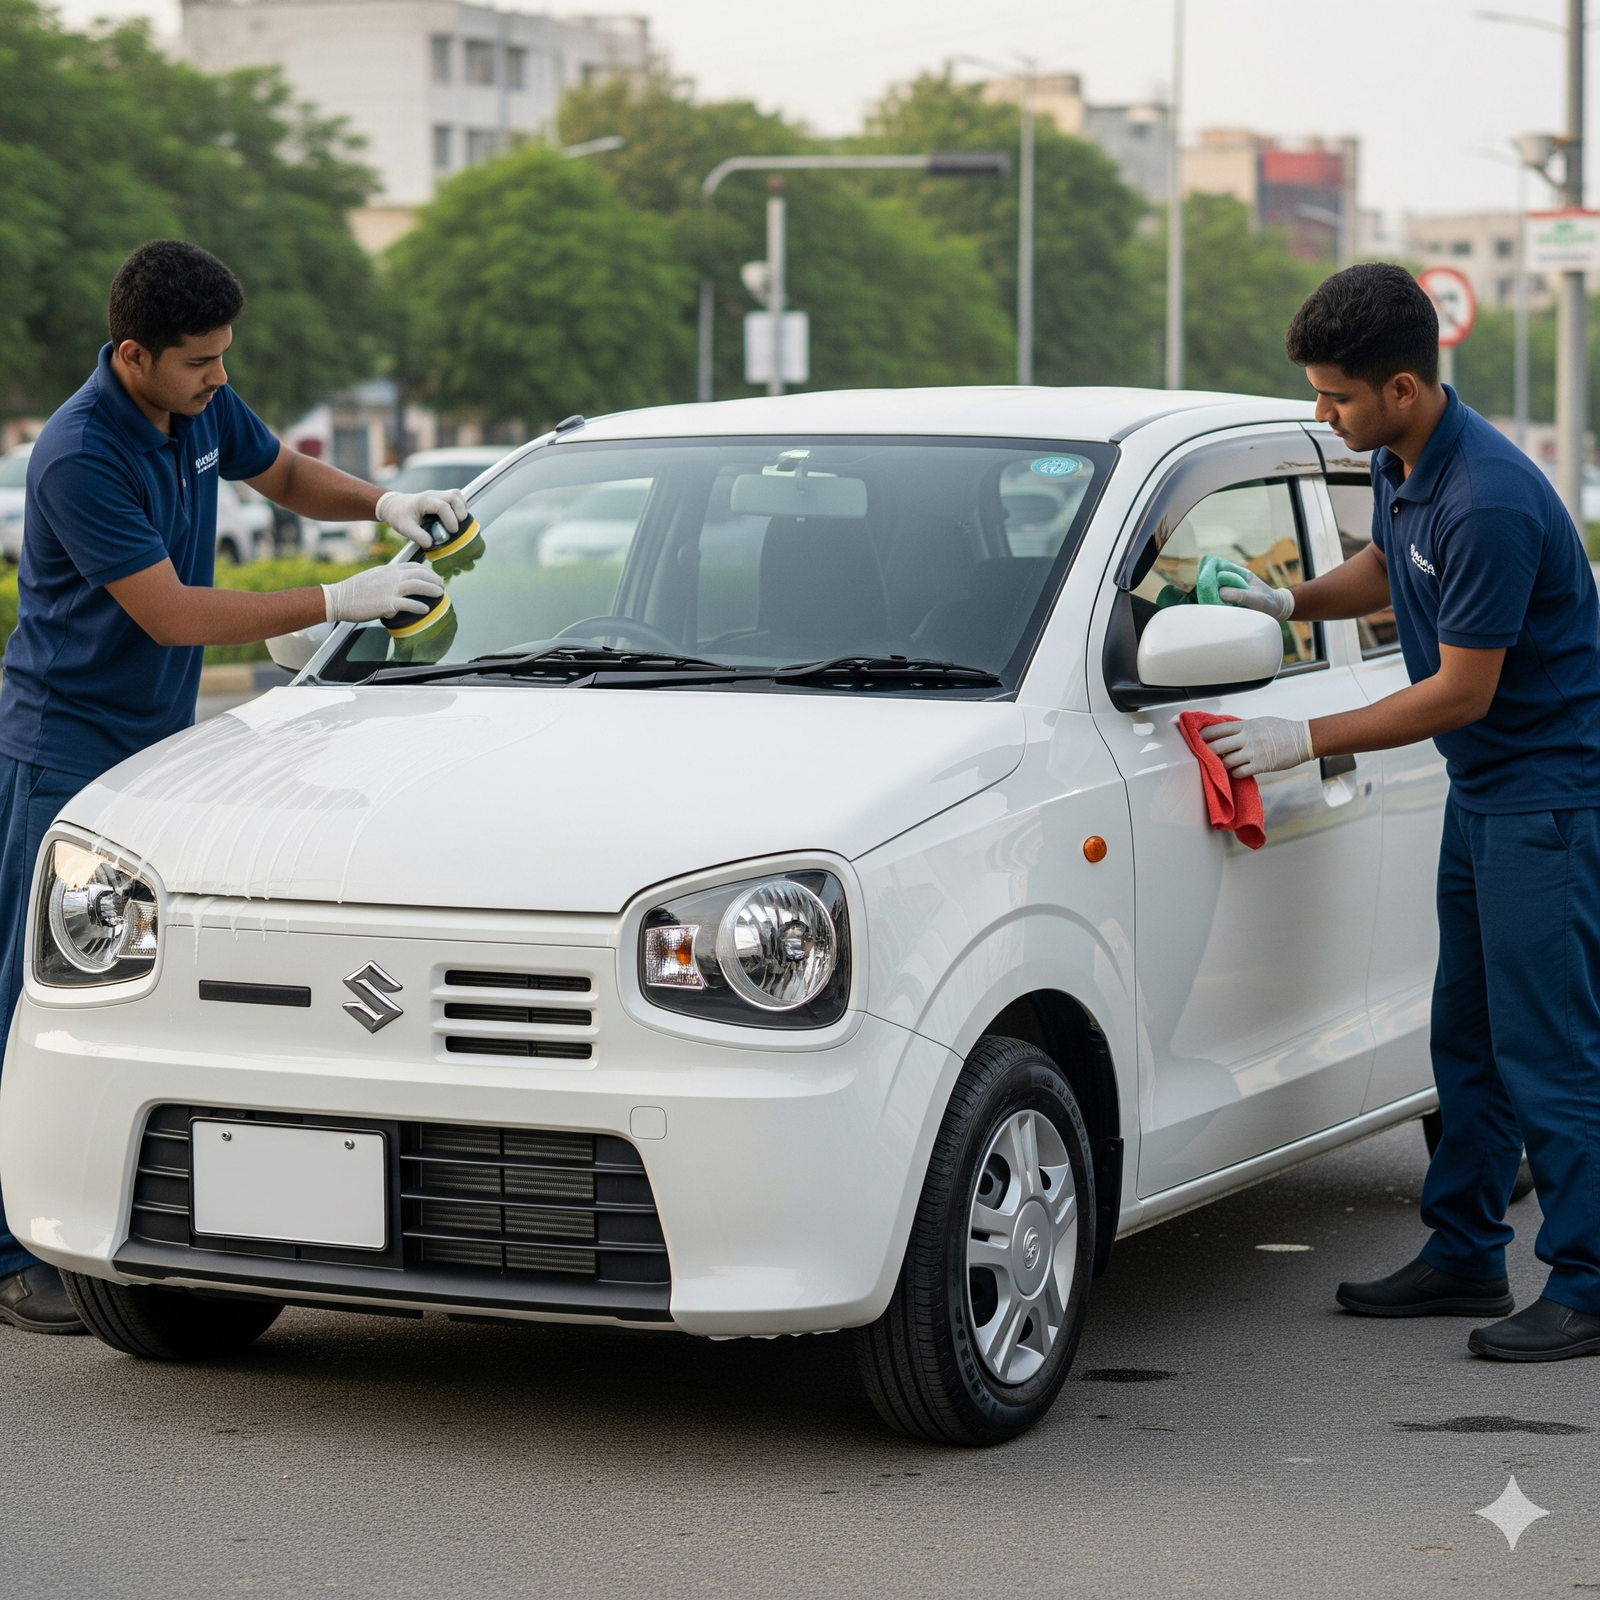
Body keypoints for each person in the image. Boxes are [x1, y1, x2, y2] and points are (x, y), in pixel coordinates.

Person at [0, 240, 457, 1334]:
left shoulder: (197, 404)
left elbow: (284, 475)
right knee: (28, 999)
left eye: (222, 359)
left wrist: (382, 503)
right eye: (200, 362)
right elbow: (172, 612)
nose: (217, 377)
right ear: (133, 355)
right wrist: (339, 599)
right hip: (64, 746)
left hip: (159, 740)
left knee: (142, 986)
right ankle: (15, 1257)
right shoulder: (75, 454)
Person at [1200, 261, 1600, 1362]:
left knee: (1549, 1049)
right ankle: (1465, 1249)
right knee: (1463, 1040)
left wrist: (1304, 736)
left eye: (1336, 396)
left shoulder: (1491, 499)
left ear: (1406, 388)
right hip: (1484, 798)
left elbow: (1459, 689)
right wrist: (1290, 598)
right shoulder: (1407, 462)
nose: (1321, 415)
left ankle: (1588, 1280)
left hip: (1545, 806)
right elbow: (1388, 565)